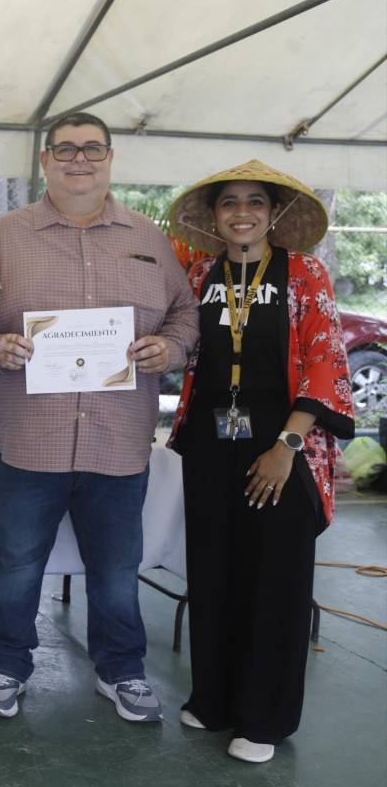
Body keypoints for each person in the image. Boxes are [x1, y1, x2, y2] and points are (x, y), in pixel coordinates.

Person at [0, 111, 198, 724]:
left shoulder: (150, 239)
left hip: (118, 438)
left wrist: (169, 349)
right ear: (44, 160)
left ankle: (122, 670)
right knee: (15, 562)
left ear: (110, 158)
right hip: (25, 439)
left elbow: (185, 317)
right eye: (65, 149)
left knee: (117, 568)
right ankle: (5, 664)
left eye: (91, 149)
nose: (79, 159)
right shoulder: (1, 237)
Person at [165, 160, 354, 763]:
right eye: (228, 203)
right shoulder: (200, 275)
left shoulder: (304, 274)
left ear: (274, 213)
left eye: (254, 202)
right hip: (210, 442)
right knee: (214, 569)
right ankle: (215, 698)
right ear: (215, 216)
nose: (241, 212)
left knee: (276, 579)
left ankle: (264, 718)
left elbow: (326, 363)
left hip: (282, 443)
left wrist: (287, 446)